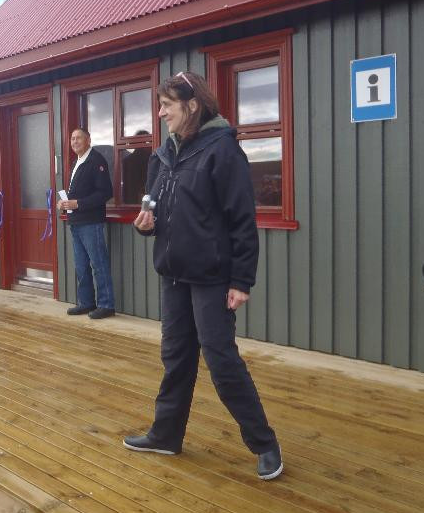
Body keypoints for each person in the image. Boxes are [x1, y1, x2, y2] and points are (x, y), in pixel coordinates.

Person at [124, 71, 282, 481]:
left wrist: (241, 281)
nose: (160, 114)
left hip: (212, 276)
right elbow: (155, 208)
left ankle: (264, 444)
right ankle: (166, 434)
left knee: (220, 359)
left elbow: (242, 221)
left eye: (167, 106)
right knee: (175, 357)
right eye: (160, 107)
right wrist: (146, 225)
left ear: (192, 106)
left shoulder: (222, 150)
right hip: (173, 274)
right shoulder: (164, 155)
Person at [56, 128, 116, 319]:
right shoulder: (76, 162)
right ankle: (86, 302)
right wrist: (64, 203)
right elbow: (78, 192)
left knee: (99, 264)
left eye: (78, 138)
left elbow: (105, 193)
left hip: (91, 222)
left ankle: (106, 305)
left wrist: (78, 204)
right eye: (72, 138)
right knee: (81, 266)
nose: (74, 141)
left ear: (88, 140)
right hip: (76, 222)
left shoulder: (96, 160)